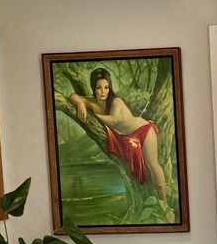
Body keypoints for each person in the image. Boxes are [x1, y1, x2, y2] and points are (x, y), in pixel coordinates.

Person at [69, 67, 168, 203]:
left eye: (106, 87)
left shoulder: (116, 102)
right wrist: (80, 103)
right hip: (127, 137)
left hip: (144, 131)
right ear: (94, 87)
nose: (103, 92)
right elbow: (72, 96)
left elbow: (113, 120)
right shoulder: (93, 102)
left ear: (110, 88)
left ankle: (164, 203)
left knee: (153, 165)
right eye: (99, 88)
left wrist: (95, 115)